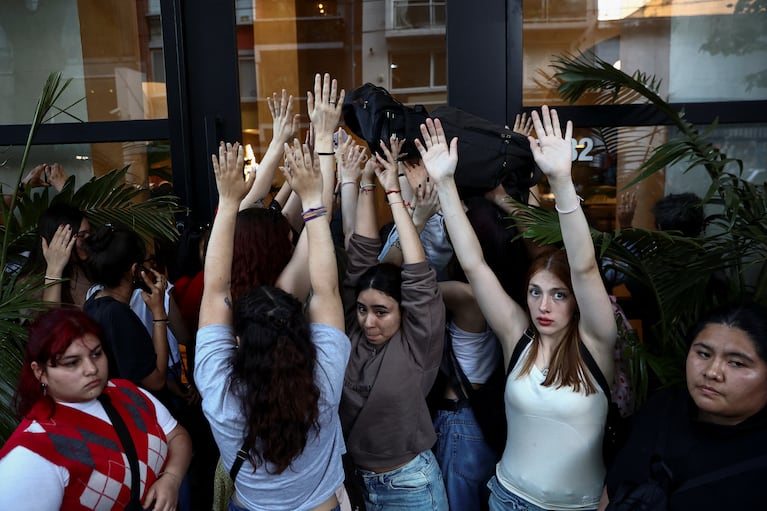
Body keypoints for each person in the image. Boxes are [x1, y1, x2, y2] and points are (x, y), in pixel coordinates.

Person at [421, 107, 617, 511]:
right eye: (535, 292)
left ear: (577, 300)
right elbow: (473, 263)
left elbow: (582, 264)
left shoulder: (595, 341)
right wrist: (444, 185)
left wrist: (561, 181)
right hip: (506, 499)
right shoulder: (517, 335)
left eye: (559, 295)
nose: (543, 306)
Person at [195, 72, 350, 511]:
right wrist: (321, 142)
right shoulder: (322, 385)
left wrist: (228, 201)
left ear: (237, 340)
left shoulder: (221, 396)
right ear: (299, 334)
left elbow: (215, 290)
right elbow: (326, 291)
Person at [339, 135, 448, 509]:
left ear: (405, 311)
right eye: (362, 309)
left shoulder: (418, 342)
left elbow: (417, 274)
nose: (369, 321)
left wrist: (395, 196)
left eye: (381, 312)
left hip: (411, 488)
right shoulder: (352, 335)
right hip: (358, 484)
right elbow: (361, 256)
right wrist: (367, 182)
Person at [0, 308, 192, 511]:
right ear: (40, 372)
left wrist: (172, 477)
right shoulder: (30, 453)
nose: (91, 368)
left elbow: (177, 435)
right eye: (72, 362)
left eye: (96, 354)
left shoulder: (127, 392)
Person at [601, 302, 767, 510]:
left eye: (736, 363)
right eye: (703, 354)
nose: (712, 372)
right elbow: (614, 486)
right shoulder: (662, 408)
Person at [82, 223, 171, 394]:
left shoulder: (93, 302)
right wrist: (159, 313)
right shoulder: (117, 314)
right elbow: (156, 381)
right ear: (135, 270)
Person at [18, 203, 92, 306]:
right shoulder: (29, 284)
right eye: (81, 235)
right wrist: (54, 271)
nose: (90, 240)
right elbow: (49, 319)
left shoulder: (87, 268)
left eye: (90, 233)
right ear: (56, 240)